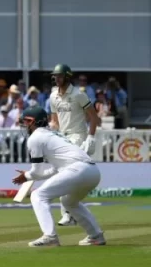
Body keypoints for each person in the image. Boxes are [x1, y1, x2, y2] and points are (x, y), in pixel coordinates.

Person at [13, 107, 105, 247]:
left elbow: (36, 173)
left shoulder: (35, 138)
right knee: (69, 202)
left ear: (31, 121)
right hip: (92, 172)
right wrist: (28, 176)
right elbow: (55, 170)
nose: (24, 126)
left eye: (25, 122)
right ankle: (96, 236)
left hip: (77, 170)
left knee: (38, 196)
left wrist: (26, 175)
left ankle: (50, 236)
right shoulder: (54, 135)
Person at [48, 64, 99, 226]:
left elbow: (93, 116)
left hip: (78, 137)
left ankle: (68, 214)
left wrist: (90, 137)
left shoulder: (78, 94)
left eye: (60, 76)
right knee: (62, 175)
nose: (56, 79)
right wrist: (51, 132)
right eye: (55, 76)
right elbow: (55, 121)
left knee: (67, 174)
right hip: (63, 138)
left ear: (68, 77)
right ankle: (71, 212)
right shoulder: (53, 96)